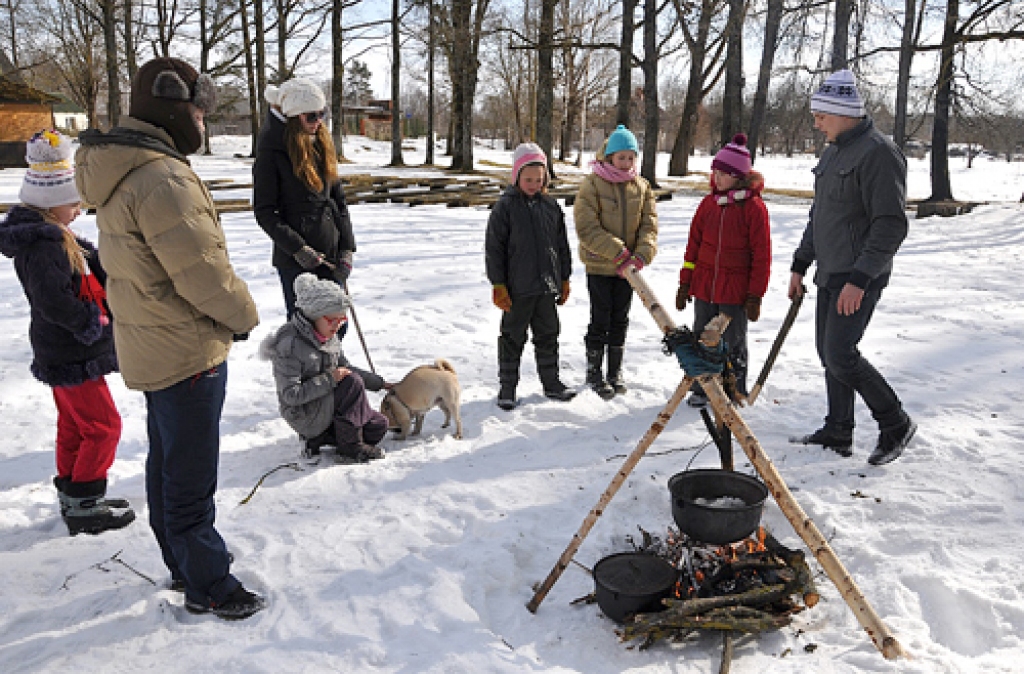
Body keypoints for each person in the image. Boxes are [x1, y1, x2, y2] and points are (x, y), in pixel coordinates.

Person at [75, 57, 265, 619]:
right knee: (188, 474)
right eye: (199, 109)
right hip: (185, 347)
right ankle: (209, 583)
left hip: (154, 342)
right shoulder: (162, 178)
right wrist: (242, 314)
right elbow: (203, 273)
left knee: (168, 463)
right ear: (174, 106)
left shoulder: (126, 168)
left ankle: (185, 566)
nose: (204, 120)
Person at [0, 130, 135, 537]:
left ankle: (75, 496)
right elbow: (52, 300)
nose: (79, 209)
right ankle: (86, 504)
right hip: (70, 350)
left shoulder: (59, 236)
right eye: (74, 202)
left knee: (75, 426)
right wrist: (89, 323)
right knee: (105, 425)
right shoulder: (44, 247)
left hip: (64, 349)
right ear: (50, 201)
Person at [789, 69, 916, 466]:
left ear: (842, 113)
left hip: (858, 276)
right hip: (829, 271)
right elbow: (820, 215)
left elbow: (891, 223)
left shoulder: (879, 153)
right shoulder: (831, 153)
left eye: (821, 115)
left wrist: (861, 279)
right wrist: (799, 263)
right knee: (829, 354)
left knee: (841, 353)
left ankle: (895, 422)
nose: (816, 122)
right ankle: (838, 429)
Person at [676, 133, 771, 408]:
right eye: (715, 172)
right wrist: (685, 283)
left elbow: (761, 256)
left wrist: (755, 295)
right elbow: (693, 247)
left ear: (739, 176)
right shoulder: (708, 205)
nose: (716, 179)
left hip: (735, 289)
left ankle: (733, 388)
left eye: (724, 174)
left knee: (732, 340)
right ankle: (701, 386)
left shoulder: (753, 208)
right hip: (705, 284)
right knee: (701, 335)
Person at [253, 77, 356, 318]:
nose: (318, 122)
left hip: (331, 255)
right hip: (297, 263)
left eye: (322, 114)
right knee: (308, 331)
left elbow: (338, 201)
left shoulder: (320, 144)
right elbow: (265, 212)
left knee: (336, 324)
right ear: (293, 116)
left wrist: (347, 249)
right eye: (311, 116)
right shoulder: (270, 152)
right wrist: (299, 249)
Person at [485, 142, 575, 410]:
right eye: (528, 179)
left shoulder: (551, 206)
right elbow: (494, 248)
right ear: (516, 177)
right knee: (512, 337)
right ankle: (507, 388)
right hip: (517, 289)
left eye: (539, 179)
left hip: (546, 287)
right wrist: (498, 284)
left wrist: (564, 278)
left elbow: (562, 246)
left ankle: (552, 383)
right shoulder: (505, 207)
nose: (534, 184)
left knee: (548, 335)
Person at [261, 274, 388, 462]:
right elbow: (290, 395)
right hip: (304, 413)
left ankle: (322, 438)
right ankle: (350, 448)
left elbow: (345, 367)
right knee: (352, 383)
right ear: (314, 315)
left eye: (341, 320)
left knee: (378, 426)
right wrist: (330, 379)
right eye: (332, 320)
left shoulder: (328, 334)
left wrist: (381, 383)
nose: (337, 326)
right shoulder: (290, 346)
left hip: (326, 401)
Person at [573, 125, 658, 400]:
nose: (626, 162)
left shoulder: (642, 187)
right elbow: (587, 227)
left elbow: (649, 225)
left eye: (631, 157)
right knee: (601, 318)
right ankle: (594, 371)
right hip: (601, 265)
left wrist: (642, 253)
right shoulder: (592, 184)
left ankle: (615, 371)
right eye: (621, 157)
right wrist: (617, 252)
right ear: (609, 157)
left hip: (629, 270)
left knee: (620, 319)